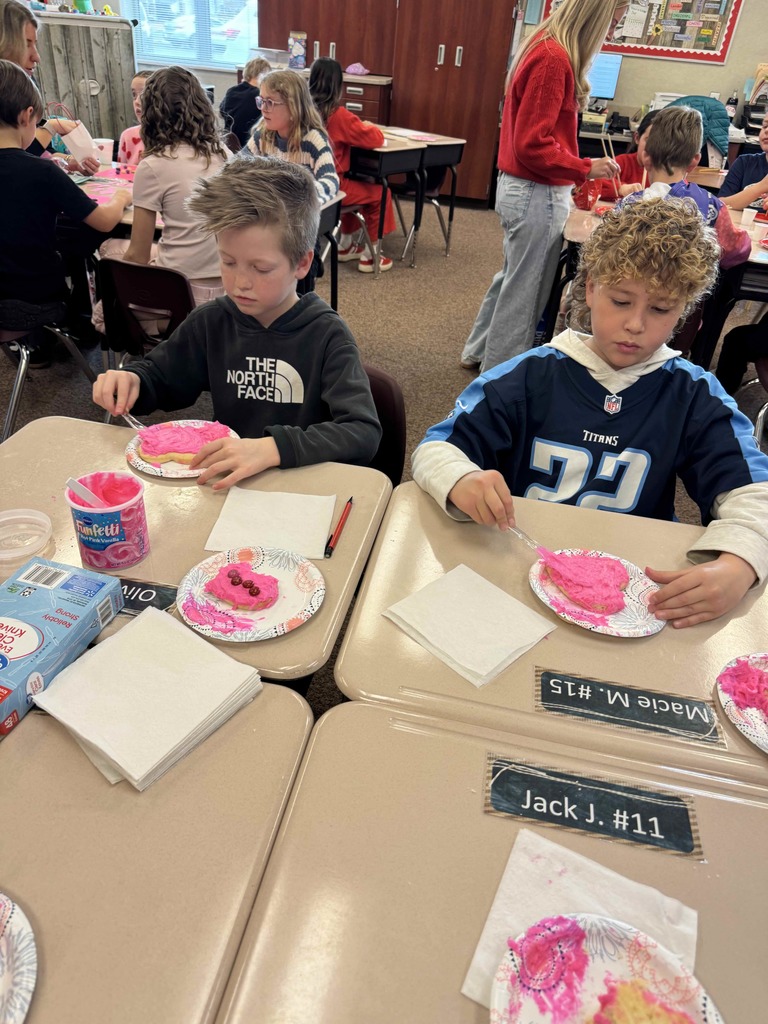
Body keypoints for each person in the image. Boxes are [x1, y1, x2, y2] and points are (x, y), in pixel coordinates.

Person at [413, 197, 768, 629]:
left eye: (660, 309)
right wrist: (462, 478)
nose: (636, 324)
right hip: (522, 568)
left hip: (633, 593)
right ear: (590, 288)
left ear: (685, 310)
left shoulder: (694, 395)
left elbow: (754, 494)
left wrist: (740, 562)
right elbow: (434, 451)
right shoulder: (529, 376)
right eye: (620, 301)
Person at [91, 157, 381, 491]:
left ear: (302, 263)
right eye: (228, 262)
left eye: (260, 268)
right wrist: (133, 381)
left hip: (300, 491)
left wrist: (273, 448)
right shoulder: (213, 321)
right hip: (229, 487)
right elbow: (163, 377)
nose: (240, 282)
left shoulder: (327, 335)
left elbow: (362, 431)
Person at [459, 0, 623, 374]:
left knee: (512, 279)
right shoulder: (554, 59)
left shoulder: (544, 47)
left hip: (523, 188)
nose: (611, 34)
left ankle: (478, 350)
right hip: (536, 192)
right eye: (612, 23)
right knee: (526, 293)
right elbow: (533, 144)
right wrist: (585, 167)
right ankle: (498, 380)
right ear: (595, 17)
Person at [0, 61, 130, 330]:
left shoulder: (42, 168)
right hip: (36, 296)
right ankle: (83, 325)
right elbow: (104, 221)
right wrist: (122, 198)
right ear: (27, 117)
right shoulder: (42, 172)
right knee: (84, 240)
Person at [98, 67, 228, 310]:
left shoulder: (154, 166)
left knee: (109, 253)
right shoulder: (225, 155)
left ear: (150, 113)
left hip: (179, 297)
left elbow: (138, 255)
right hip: (227, 294)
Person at [619, 105, 750, 269]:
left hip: (632, 289)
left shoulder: (628, 204)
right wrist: (745, 236)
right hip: (686, 292)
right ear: (694, 160)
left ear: (646, 156)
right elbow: (736, 251)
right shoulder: (712, 206)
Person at [309, 57, 395, 274]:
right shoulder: (339, 116)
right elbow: (374, 138)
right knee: (380, 193)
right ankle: (371, 255)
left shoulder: (304, 112)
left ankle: (346, 244)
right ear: (338, 85)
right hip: (332, 186)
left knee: (356, 187)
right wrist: (367, 125)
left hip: (307, 185)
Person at [0, 0, 98, 174]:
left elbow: (35, 149)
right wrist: (52, 126)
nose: (36, 56)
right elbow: (14, 156)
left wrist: (67, 162)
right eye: (26, 44)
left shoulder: (24, 87)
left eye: (35, 43)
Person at [244, 69, 338, 204]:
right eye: (261, 100)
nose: (263, 108)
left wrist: (293, 194)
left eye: (270, 102)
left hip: (298, 218)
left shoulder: (313, 140)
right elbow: (236, 167)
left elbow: (331, 182)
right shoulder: (263, 136)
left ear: (293, 109)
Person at [594, 109, 658, 199]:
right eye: (649, 140)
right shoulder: (622, 162)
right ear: (637, 138)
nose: (654, 147)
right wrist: (621, 188)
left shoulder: (664, 171)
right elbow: (597, 181)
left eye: (660, 143)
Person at [719, 109, 768, 211]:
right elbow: (720, 205)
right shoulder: (744, 162)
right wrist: (760, 187)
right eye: (765, 126)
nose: (766, 130)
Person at [220, 56, 270, 148]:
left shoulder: (232, 91)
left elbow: (221, 113)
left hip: (229, 144)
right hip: (249, 146)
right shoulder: (260, 96)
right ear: (264, 75)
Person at [117, 69, 151, 165]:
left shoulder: (173, 139)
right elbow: (121, 174)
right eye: (134, 95)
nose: (137, 102)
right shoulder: (127, 136)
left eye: (144, 95)